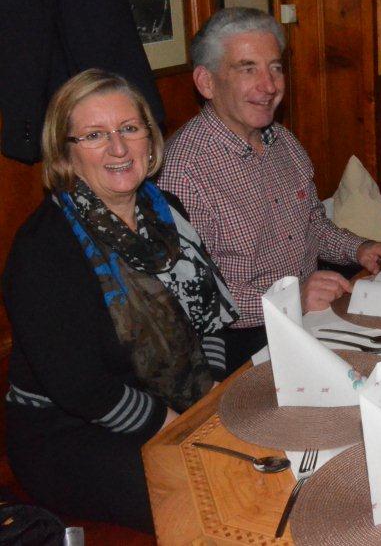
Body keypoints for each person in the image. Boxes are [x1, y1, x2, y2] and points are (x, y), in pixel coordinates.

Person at [2, 69, 239, 532]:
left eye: (129, 128)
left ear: (149, 138)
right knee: (209, 491)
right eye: (94, 135)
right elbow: (83, 390)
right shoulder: (43, 249)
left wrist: (211, 396)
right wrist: (182, 428)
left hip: (173, 403)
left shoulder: (167, 211)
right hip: (70, 433)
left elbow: (208, 318)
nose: (118, 148)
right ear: (65, 153)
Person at [159, 8, 381, 371]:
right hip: (240, 344)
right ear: (206, 82)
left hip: (311, 317)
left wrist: (359, 248)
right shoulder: (183, 172)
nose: (269, 86)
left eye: (275, 68)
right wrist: (292, 299)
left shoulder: (282, 141)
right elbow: (196, 298)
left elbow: (312, 226)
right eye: (248, 69)